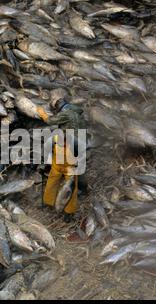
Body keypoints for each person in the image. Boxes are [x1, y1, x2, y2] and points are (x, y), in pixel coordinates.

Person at [36, 89, 86, 222]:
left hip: (67, 151)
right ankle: (65, 211)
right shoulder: (77, 114)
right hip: (72, 151)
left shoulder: (67, 114)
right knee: (65, 181)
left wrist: (42, 113)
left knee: (61, 181)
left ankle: (59, 208)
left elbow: (50, 121)